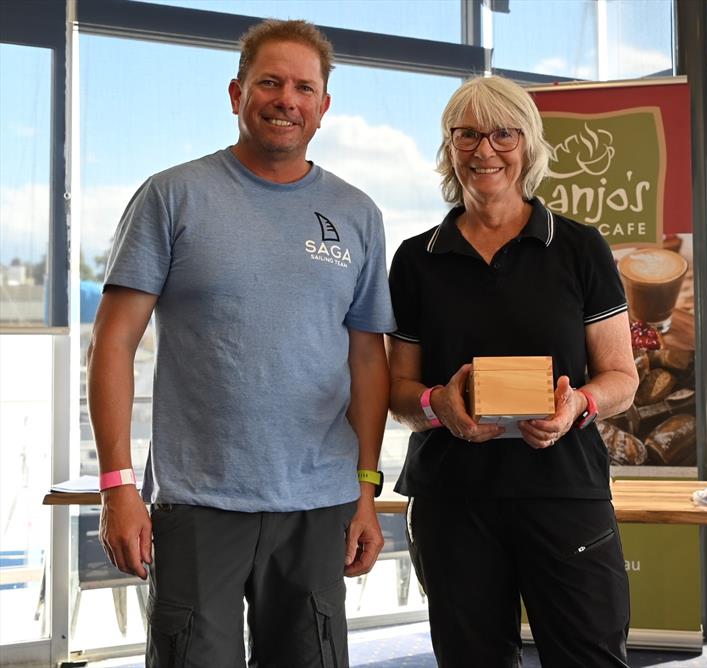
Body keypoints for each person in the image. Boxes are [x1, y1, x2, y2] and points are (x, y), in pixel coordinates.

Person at [87, 19, 395, 667]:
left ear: (323, 107)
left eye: (304, 87)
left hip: (319, 505)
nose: (287, 99)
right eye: (270, 82)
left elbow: (369, 360)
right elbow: (113, 344)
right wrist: (117, 486)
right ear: (236, 93)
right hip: (198, 500)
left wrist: (366, 492)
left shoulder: (357, 213)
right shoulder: (173, 196)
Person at [387, 75, 639, 668]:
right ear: (449, 147)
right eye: (467, 134)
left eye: (504, 133)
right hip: (453, 499)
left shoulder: (579, 248)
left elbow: (621, 376)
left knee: (590, 658)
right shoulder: (415, 259)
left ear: (528, 144)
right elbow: (396, 390)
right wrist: (436, 406)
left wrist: (578, 403)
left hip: (563, 492)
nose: (485, 149)